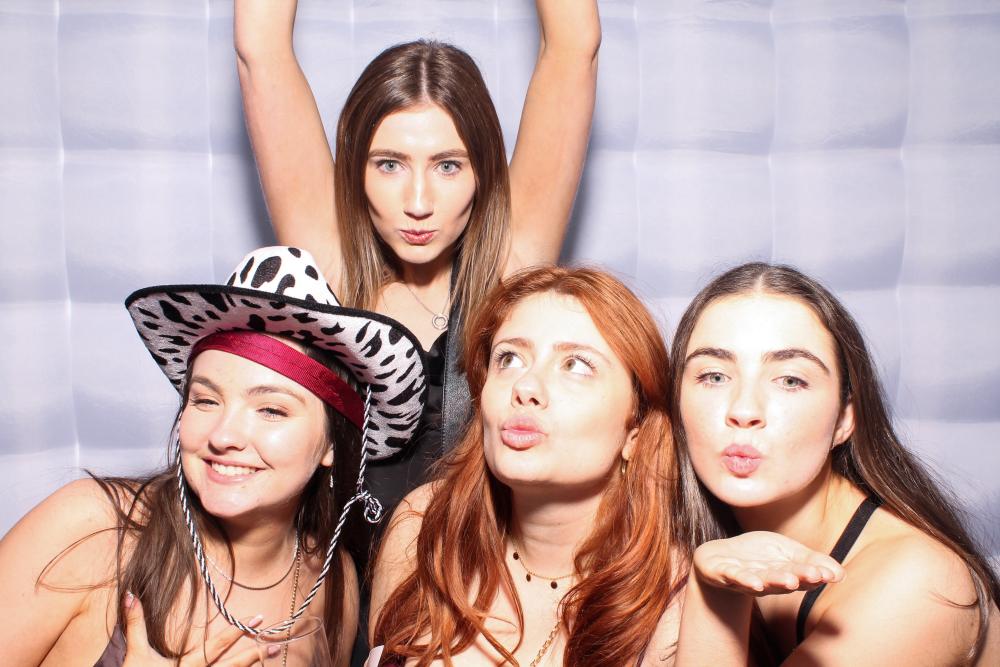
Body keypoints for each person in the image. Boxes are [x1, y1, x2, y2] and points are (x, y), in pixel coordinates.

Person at [235, 0, 601, 525]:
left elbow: (574, 46)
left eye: (448, 166)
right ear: (356, 171)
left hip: (474, 569)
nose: (419, 202)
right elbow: (260, 46)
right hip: (343, 570)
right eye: (390, 165)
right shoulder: (334, 269)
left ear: (482, 173)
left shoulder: (507, 269)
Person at [0, 246, 427, 666]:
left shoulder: (334, 583)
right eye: (206, 400)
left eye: (271, 410)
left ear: (332, 444)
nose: (223, 436)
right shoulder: (93, 529)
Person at [669, 262, 1000, 665]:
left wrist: (714, 599)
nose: (744, 410)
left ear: (844, 418)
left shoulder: (918, 581)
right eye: (714, 376)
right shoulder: (681, 537)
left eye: (790, 380)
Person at [368, 266, 685, 666]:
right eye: (510, 358)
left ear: (635, 432)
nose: (526, 387)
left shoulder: (678, 596)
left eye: (576, 365)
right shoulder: (423, 527)